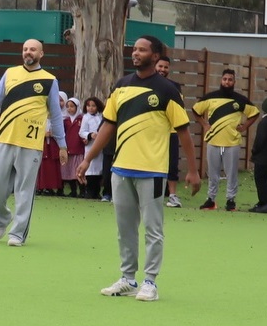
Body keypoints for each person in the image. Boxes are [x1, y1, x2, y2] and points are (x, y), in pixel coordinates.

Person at [77, 35, 201, 302]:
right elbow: (107, 125)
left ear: (155, 56)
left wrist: (192, 171)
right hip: (120, 170)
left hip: (153, 172)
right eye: (134, 49)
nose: (136, 53)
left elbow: (184, 134)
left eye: (142, 50)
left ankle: (150, 282)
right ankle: (128, 278)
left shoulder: (168, 91)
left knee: (153, 229)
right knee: (125, 228)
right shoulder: (121, 87)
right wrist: (87, 159)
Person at [0, 38, 68, 247]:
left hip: (31, 144)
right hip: (4, 138)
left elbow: (57, 116)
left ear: (41, 54)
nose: (28, 52)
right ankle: (1, 220)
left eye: (32, 49)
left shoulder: (49, 80)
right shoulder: (10, 73)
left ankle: (18, 233)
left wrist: (62, 145)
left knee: (25, 190)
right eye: (25, 49)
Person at [192, 69, 259, 211]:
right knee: (213, 173)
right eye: (224, 79)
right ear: (221, 80)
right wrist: (204, 124)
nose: (227, 82)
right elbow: (195, 110)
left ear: (234, 82)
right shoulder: (210, 98)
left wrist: (244, 126)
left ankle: (231, 200)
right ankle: (211, 200)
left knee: (232, 173)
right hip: (213, 141)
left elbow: (254, 113)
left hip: (232, 143)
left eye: (230, 79)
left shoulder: (240, 100)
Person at [156, 56, 184, 208]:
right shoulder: (148, 84)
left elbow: (178, 109)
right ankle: (152, 196)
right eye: (160, 66)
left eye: (166, 67)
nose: (163, 70)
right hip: (153, 131)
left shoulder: (175, 86)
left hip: (171, 132)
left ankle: (172, 196)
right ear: (155, 66)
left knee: (172, 164)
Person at [36, 91, 67, 196]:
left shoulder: (59, 118)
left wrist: (54, 134)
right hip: (43, 144)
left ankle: (54, 187)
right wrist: (44, 134)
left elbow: (61, 131)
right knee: (43, 166)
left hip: (54, 145)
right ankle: (42, 186)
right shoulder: (41, 118)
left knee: (53, 166)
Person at [79, 96, 105, 199]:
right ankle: (89, 191)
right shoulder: (86, 117)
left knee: (99, 170)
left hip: (100, 146)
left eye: (93, 106)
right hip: (90, 145)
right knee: (90, 169)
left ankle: (97, 192)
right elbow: (82, 132)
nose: (90, 108)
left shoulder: (101, 117)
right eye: (88, 106)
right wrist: (90, 135)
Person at [61, 97, 84, 197]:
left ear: (77, 107)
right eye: (68, 107)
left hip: (78, 148)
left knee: (78, 171)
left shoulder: (81, 119)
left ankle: (82, 191)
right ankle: (73, 191)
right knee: (69, 171)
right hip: (68, 147)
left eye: (72, 106)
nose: (70, 109)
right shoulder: (65, 120)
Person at [249, 98, 267, 213]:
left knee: (260, 180)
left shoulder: (264, 122)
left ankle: (264, 202)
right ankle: (262, 202)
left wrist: (254, 151)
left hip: (262, 158)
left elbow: (260, 139)